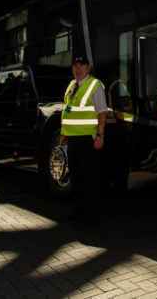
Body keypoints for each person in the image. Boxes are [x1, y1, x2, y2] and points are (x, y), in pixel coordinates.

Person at [57, 56, 107, 228]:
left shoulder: (95, 85)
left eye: (82, 66)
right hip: (73, 139)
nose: (78, 69)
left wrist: (100, 135)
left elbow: (102, 112)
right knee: (76, 176)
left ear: (88, 68)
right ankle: (78, 209)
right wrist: (64, 133)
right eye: (75, 66)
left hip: (88, 139)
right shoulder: (72, 85)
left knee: (90, 178)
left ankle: (92, 215)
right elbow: (68, 110)